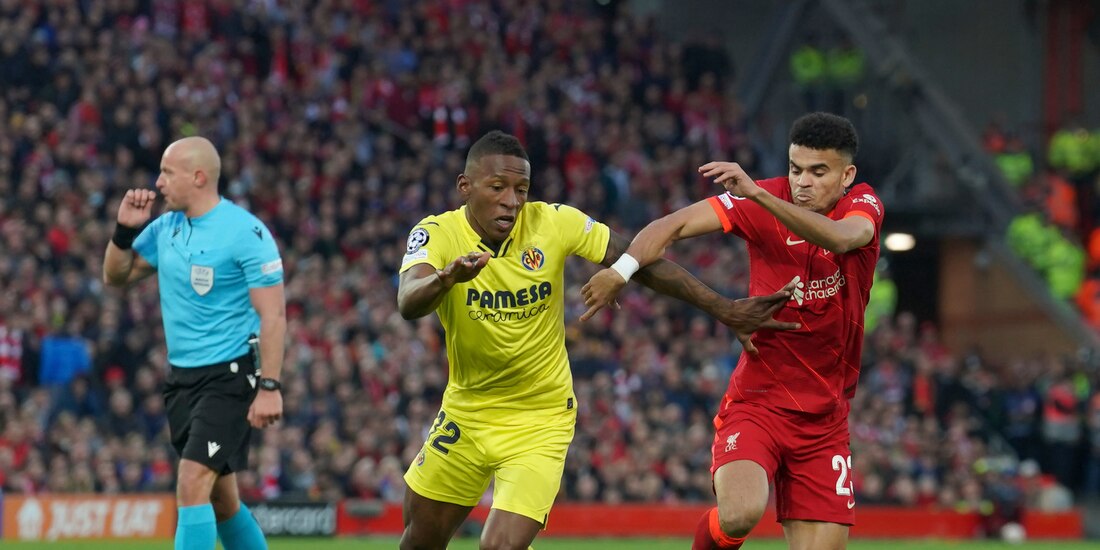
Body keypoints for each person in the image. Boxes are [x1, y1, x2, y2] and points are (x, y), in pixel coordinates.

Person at [396, 130, 799, 550]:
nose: (511, 201)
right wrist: (446, 279)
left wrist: (723, 308)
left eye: (521, 189)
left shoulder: (554, 222)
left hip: (540, 419)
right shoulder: (437, 233)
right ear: (465, 186)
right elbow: (408, 301)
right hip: (467, 413)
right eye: (497, 187)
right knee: (419, 542)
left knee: (499, 547)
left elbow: (641, 261)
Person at [582, 112, 883, 550]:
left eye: (818, 173)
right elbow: (671, 226)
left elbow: (840, 238)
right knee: (740, 514)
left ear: (846, 176)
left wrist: (758, 194)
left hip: (825, 417)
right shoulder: (761, 198)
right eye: (795, 169)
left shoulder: (862, 203)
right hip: (758, 402)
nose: (802, 182)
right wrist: (622, 270)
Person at [103, 136, 285, 550]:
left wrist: (270, 387)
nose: (158, 182)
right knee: (223, 501)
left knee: (191, 481)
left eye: (168, 172)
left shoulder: (245, 233)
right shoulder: (165, 228)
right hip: (183, 379)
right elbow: (115, 276)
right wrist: (124, 231)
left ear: (198, 177)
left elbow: (274, 315)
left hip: (231, 377)